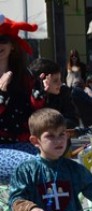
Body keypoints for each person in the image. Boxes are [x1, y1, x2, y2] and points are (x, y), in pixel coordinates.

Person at [0, 14, 45, 154]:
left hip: (24, 142)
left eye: (3, 39)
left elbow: (36, 110)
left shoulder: (25, 75)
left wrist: (39, 96)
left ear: (12, 45)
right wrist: (1, 92)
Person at [29, 58, 80, 130]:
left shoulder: (64, 92)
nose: (60, 83)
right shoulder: (31, 97)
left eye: (60, 79)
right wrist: (42, 96)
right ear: (41, 82)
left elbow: (73, 120)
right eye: (55, 81)